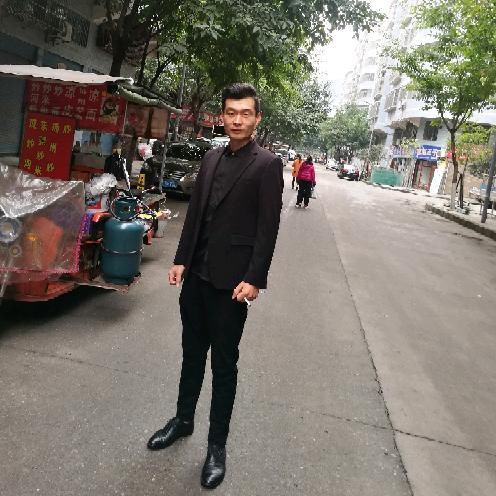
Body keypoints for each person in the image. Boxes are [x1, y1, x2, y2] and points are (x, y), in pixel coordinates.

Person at [147, 83, 284, 489]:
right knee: (192, 353)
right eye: (231, 112)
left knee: (224, 366)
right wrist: (181, 259)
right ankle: (182, 420)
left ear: (257, 118)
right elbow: (195, 215)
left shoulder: (267, 165)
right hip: (197, 278)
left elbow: (267, 228)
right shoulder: (210, 158)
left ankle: (216, 447)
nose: (237, 120)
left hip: (232, 285)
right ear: (222, 116)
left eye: (245, 113)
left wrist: (255, 278)